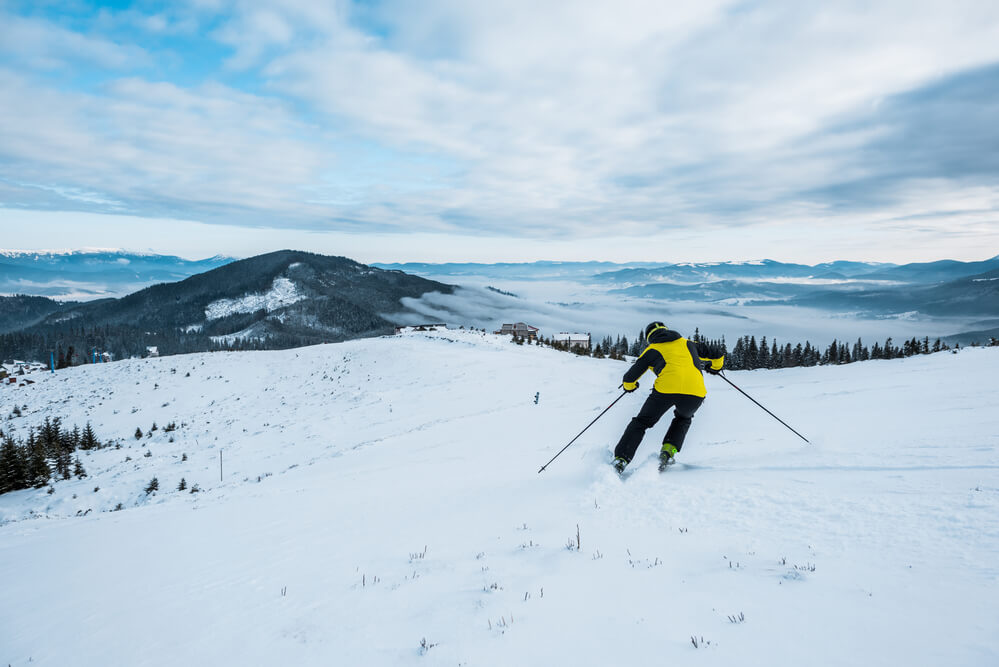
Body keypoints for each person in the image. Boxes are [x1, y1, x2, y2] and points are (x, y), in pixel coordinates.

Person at [612, 322, 724, 473]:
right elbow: (717, 354)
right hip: (695, 392)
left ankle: (621, 459)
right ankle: (668, 452)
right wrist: (715, 368)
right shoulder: (688, 343)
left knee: (641, 422)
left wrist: (629, 387)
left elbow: (629, 379)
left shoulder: (652, 349)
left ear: (649, 337)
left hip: (665, 391)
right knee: (683, 418)